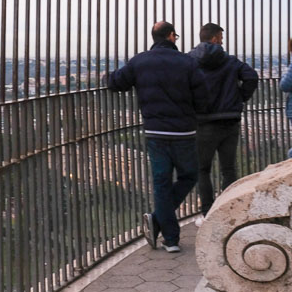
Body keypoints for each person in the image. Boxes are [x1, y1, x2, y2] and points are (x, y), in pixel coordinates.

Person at [106, 21, 209, 253]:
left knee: (161, 183)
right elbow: (202, 97)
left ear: (154, 37)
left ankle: (170, 238)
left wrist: (107, 76)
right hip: (184, 130)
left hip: (155, 131)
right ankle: (158, 221)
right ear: (172, 36)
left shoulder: (140, 61)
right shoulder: (187, 62)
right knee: (189, 175)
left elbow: (117, 83)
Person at [188, 23, 258, 225]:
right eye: (221, 37)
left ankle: (208, 214)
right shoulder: (230, 61)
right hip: (229, 121)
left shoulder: (189, 61)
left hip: (202, 122)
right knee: (229, 169)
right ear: (214, 39)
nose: (222, 41)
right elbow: (251, 77)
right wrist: (240, 98)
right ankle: (230, 211)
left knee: (203, 169)